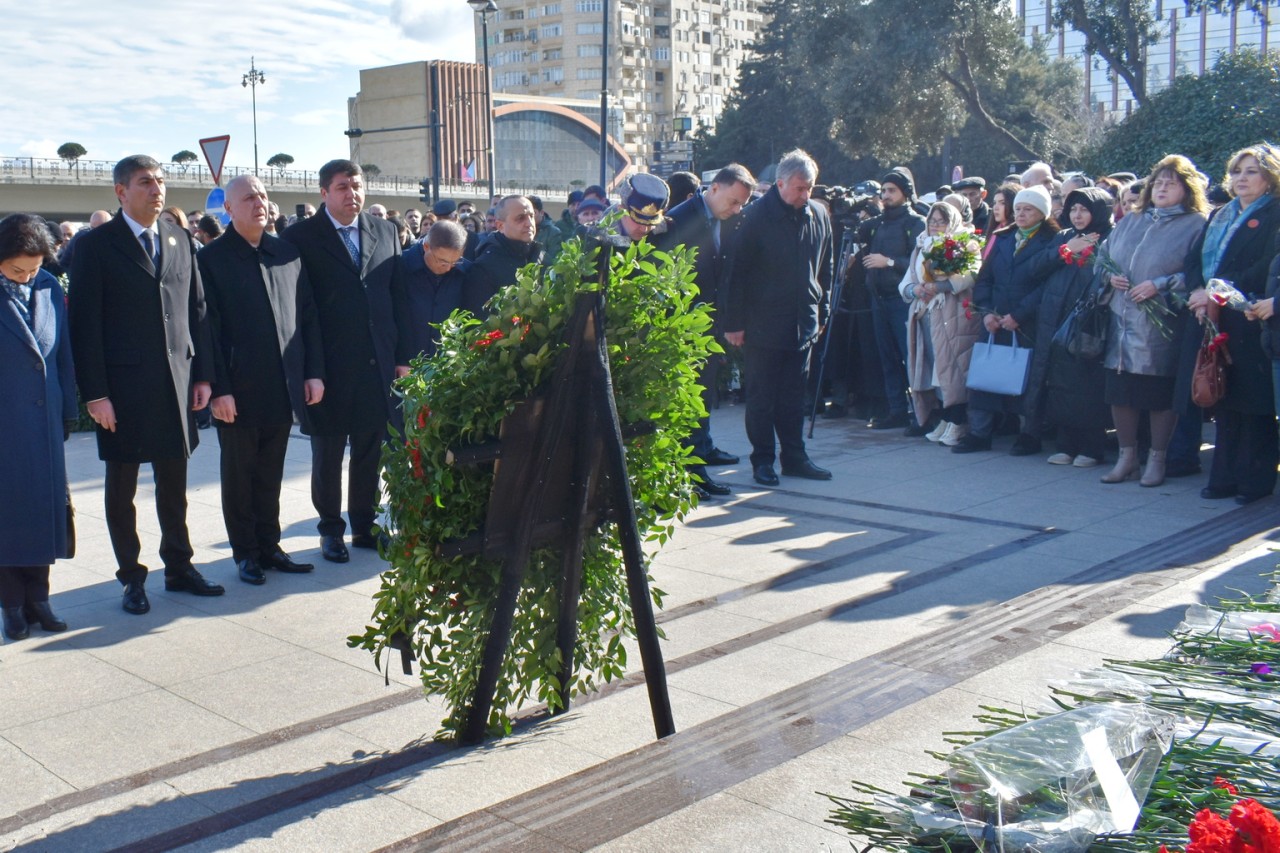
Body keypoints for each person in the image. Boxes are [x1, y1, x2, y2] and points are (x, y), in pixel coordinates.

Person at [69, 155, 221, 614]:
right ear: (121, 191)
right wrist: (96, 394)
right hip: (123, 389)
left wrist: (203, 374)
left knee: (174, 483)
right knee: (123, 487)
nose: (157, 190)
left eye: (160, 181)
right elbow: (85, 325)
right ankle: (131, 577)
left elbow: (198, 311)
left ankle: (179, 566)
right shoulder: (96, 246)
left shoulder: (179, 238)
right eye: (145, 183)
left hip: (176, 382)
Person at [197, 176, 326, 585]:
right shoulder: (212, 259)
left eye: (264, 196)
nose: (259, 203)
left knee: (270, 471)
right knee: (240, 473)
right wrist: (219, 388)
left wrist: (312, 372)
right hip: (237, 387)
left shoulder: (286, 253)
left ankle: (270, 546)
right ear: (229, 209)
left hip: (282, 384)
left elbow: (306, 317)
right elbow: (207, 329)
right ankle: (246, 553)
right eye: (249, 197)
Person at [282, 159, 412, 563]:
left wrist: (402, 358)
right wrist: (310, 371)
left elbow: (398, 298)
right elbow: (301, 310)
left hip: (377, 363)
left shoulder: (386, 231)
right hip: (329, 368)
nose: (351, 194)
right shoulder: (301, 237)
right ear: (324, 193)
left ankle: (365, 526)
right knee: (328, 455)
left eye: (356, 186)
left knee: (370, 452)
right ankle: (330, 531)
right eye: (342, 187)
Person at [723, 149, 834, 486]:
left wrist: (823, 308)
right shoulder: (755, 217)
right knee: (762, 398)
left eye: (810, 188)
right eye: (800, 188)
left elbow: (824, 268)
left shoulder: (818, 214)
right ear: (781, 183)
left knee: (793, 398)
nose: (806, 195)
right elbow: (736, 273)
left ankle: (795, 457)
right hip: (763, 324)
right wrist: (734, 323)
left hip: (803, 322)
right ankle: (763, 460)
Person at [1098, 155, 1208, 487]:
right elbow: (1102, 257)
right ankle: (1126, 457)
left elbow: (1199, 273)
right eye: (1158, 182)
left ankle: (1157, 458)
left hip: (1163, 323)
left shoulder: (1197, 223)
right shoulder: (1133, 219)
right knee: (1121, 393)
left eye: (1170, 183)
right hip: (1122, 317)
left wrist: (1160, 284)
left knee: (1159, 393)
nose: (1162, 188)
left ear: (1186, 189)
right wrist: (1110, 276)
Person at [652, 163, 755, 498]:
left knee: (701, 400)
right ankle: (688, 476)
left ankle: (696, 468)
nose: (737, 209)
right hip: (680, 328)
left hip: (707, 326)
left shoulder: (727, 221)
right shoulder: (678, 220)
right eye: (734, 201)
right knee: (684, 404)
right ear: (714, 188)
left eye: (741, 204)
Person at [1185, 145, 1280, 502]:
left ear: (1269, 176)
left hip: (1251, 314)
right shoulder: (1221, 214)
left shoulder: (1275, 212)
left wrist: (1219, 290)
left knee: (1253, 401)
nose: (1242, 178)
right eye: (1238, 171)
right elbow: (1194, 258)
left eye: (1252, 171)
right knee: (1223, 396)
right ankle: (1223, 476)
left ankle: (1254, 480)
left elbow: (1267, 264)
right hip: (1212, 314)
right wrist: (1199, 290)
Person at [0, 215, 77, 639]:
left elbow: (62, 350)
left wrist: (67, 409)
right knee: (8, 515)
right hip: (5, 422)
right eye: (16, 270)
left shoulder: (47, 284)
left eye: (32, 268)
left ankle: (40, 599)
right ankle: (12, 604)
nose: (26, 277)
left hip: (44, 418)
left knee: (45, 511)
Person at [952, 186, 1058, 454]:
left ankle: (1028, 434)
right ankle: (979, 432)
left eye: (1029, 209)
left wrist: (1019, 315)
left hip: (1027, 322)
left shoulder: (1052, 241)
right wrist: (986, 311)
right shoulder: (1002, 238)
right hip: (995, 318)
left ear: (1042, 214)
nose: (1021, 214)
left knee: (1028, 380)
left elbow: (1046, 286)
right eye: (1019, 208)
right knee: (984, 377)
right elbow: (985, 279)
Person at [1025, 187, 1114, 467]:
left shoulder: (1109, 239)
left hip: (1089, 322)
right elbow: (1034, 269)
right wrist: (1066, 250)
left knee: (1087, 384)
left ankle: (1091, 447)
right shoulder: (1064, 236)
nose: (1077, 215)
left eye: (1084, 209)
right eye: (1073, 209)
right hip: (1055, 318)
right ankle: (1066, 444)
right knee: (1060, 383)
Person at [897, 202, 981, 446]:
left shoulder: (965, 244)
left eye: (941, 221)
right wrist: (916, 289)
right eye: (932, 220)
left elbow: (968, 276)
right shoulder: (921, 245)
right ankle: (944, 417)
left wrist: (941, 286)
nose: (935, 225)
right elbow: (906, 281)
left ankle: (958, 421)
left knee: (951, 368)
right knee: (933, 366)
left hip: (951, 315)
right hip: (924, 314)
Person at [859, 167, 928, 431]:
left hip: (903, 301)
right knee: (887, 358)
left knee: (910, 357)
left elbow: (917, 263)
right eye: (884, 191)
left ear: (905, 194)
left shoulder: (915, 223)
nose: (886, 195)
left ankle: (921, 413)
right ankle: (897, 409)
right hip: (879, 299)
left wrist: (887, 262)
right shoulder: (877, 224)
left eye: (891, 191)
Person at [461, 195, 544, 317]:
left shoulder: (542, 257)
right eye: (520, 218)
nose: (529, 223)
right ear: (500, 225)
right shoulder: (484, 267)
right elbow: (480, 323)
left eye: (531, 216)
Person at [403, 220, 467, 359]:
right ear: (426, 247)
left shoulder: (465, 271)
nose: (449, 268)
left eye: (455, 261)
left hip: (447, 362)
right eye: (442, 261)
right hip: (408, 361)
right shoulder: (401, 266)